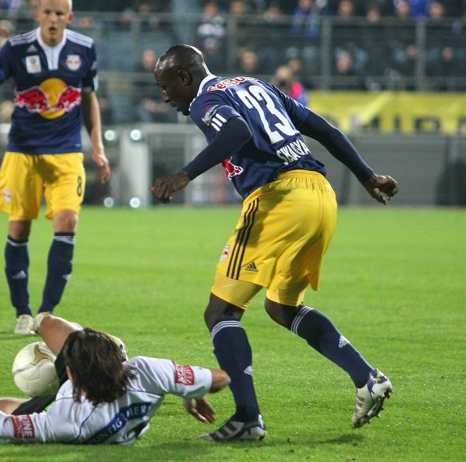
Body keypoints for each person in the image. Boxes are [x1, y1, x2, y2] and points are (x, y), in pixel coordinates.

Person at [150, 45, 398, 441]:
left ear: (184, 78)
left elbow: (236, 131)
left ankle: (248, 418)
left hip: (278, 197)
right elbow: (324, 129)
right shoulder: (256, 85)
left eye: (165, 86)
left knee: (220, 312)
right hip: (320, 195)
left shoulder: (204, 99)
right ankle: (366, 377)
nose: (165, 96)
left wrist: (185, 174)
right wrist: (367, 176)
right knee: (282, 306)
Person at [0, 0, 111, 334]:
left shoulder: (85, 48)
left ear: (69, 18)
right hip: (24, 153)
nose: (53, 19)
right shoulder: (15, 48)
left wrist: (98, 146)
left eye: (60, 14)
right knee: (19, 227)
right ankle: (22, 311)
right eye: (47, 12)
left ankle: (46, 312)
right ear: (37, 15)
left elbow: (89, 98)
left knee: (68, 220)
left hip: (66, 152)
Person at [0, 313, 231, 444]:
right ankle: (45, 326)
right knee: (49, 324)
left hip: (73, 404)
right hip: (100, 393)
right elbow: (222, 378)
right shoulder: (144, 371)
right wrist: (190, 391)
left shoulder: (66, 420)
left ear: (69, 373)